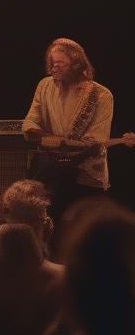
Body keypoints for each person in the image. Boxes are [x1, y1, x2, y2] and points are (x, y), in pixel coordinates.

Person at [22, 38, 113, 227]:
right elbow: (30, 121)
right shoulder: (45, 86)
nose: (53, 69)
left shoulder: (102, 95)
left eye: (59, 64)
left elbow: (96, 142)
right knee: (46, 226)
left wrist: (60, 143)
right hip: (53, 172)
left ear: (77, 64)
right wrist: (42, 136)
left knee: (77, 231)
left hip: (85, 176)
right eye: (52, 64)